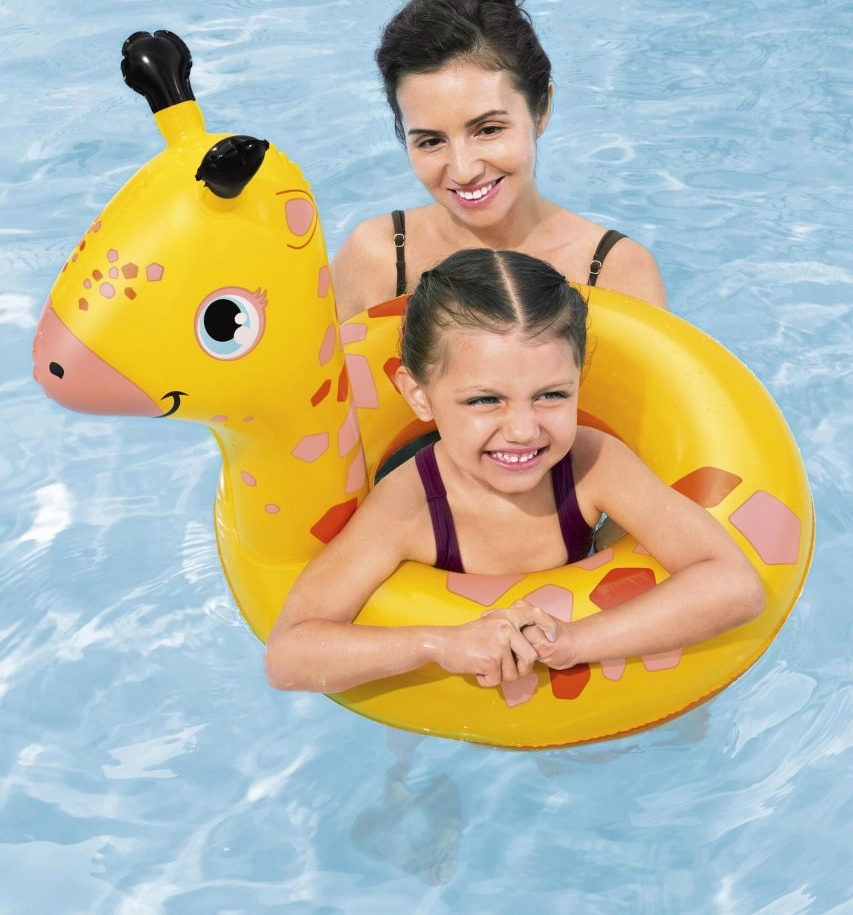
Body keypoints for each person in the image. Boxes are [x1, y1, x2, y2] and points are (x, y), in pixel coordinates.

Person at [265, 251, 762, 695]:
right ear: (418, 395)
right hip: (449, 707)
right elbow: (289, 654)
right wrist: (439, 644)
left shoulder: (593, 464)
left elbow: (734, 585)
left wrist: (574, 641)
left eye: (551, 395)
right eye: (485, 400)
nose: (523, 431)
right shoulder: (408, 507)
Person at [331, 0, 667, 323]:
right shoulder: (378, 257)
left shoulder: (616, 273)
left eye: (488, 129)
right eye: (430, 141)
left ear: (541, 109)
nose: (463, 171)